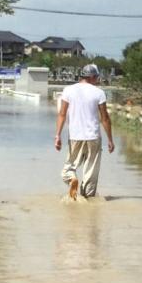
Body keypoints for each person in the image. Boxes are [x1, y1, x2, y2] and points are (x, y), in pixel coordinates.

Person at [55, 64, 114, 200]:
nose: (97, 80)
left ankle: (71, 179)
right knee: (91, 171)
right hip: (93, 136)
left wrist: (57, 135)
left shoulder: (68, 90)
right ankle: (87, 200)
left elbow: (62, 114)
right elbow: (104, 118)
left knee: (69, 166)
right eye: (97, 77)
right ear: (92, 77)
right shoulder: (99, 93)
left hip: (75, 136)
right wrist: (110, 140)